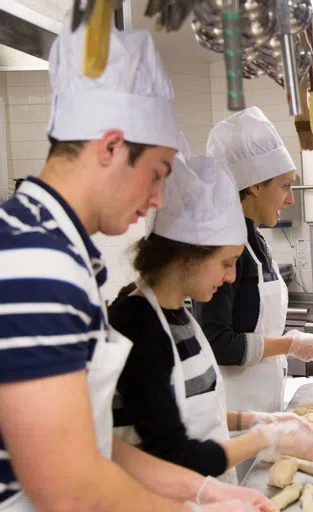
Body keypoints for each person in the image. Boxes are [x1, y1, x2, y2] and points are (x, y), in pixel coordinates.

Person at [0, 14, 271, 511]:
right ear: (110, 147)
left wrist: (200, 490)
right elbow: (69, 486)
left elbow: (97, 447)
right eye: (157, 173)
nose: (157, 201)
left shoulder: (60, 250)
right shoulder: (37, 261)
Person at [110, 143, 313, 483]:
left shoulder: (178, 317)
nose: (231, 277)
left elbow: (188, 407)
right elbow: (172, 453)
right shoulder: (139, 327)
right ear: (187, 257)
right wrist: (263, 438)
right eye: (225, 263)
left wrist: (249, 421)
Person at [196, 107, 313, 413]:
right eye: (285, 186)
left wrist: (299, 343)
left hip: (264, 403)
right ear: (255, 185)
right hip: (234, 411)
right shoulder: (226, 248)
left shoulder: (256, 242)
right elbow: (217, 342)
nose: (290, 199)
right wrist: (291, 345)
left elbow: (254, 332)